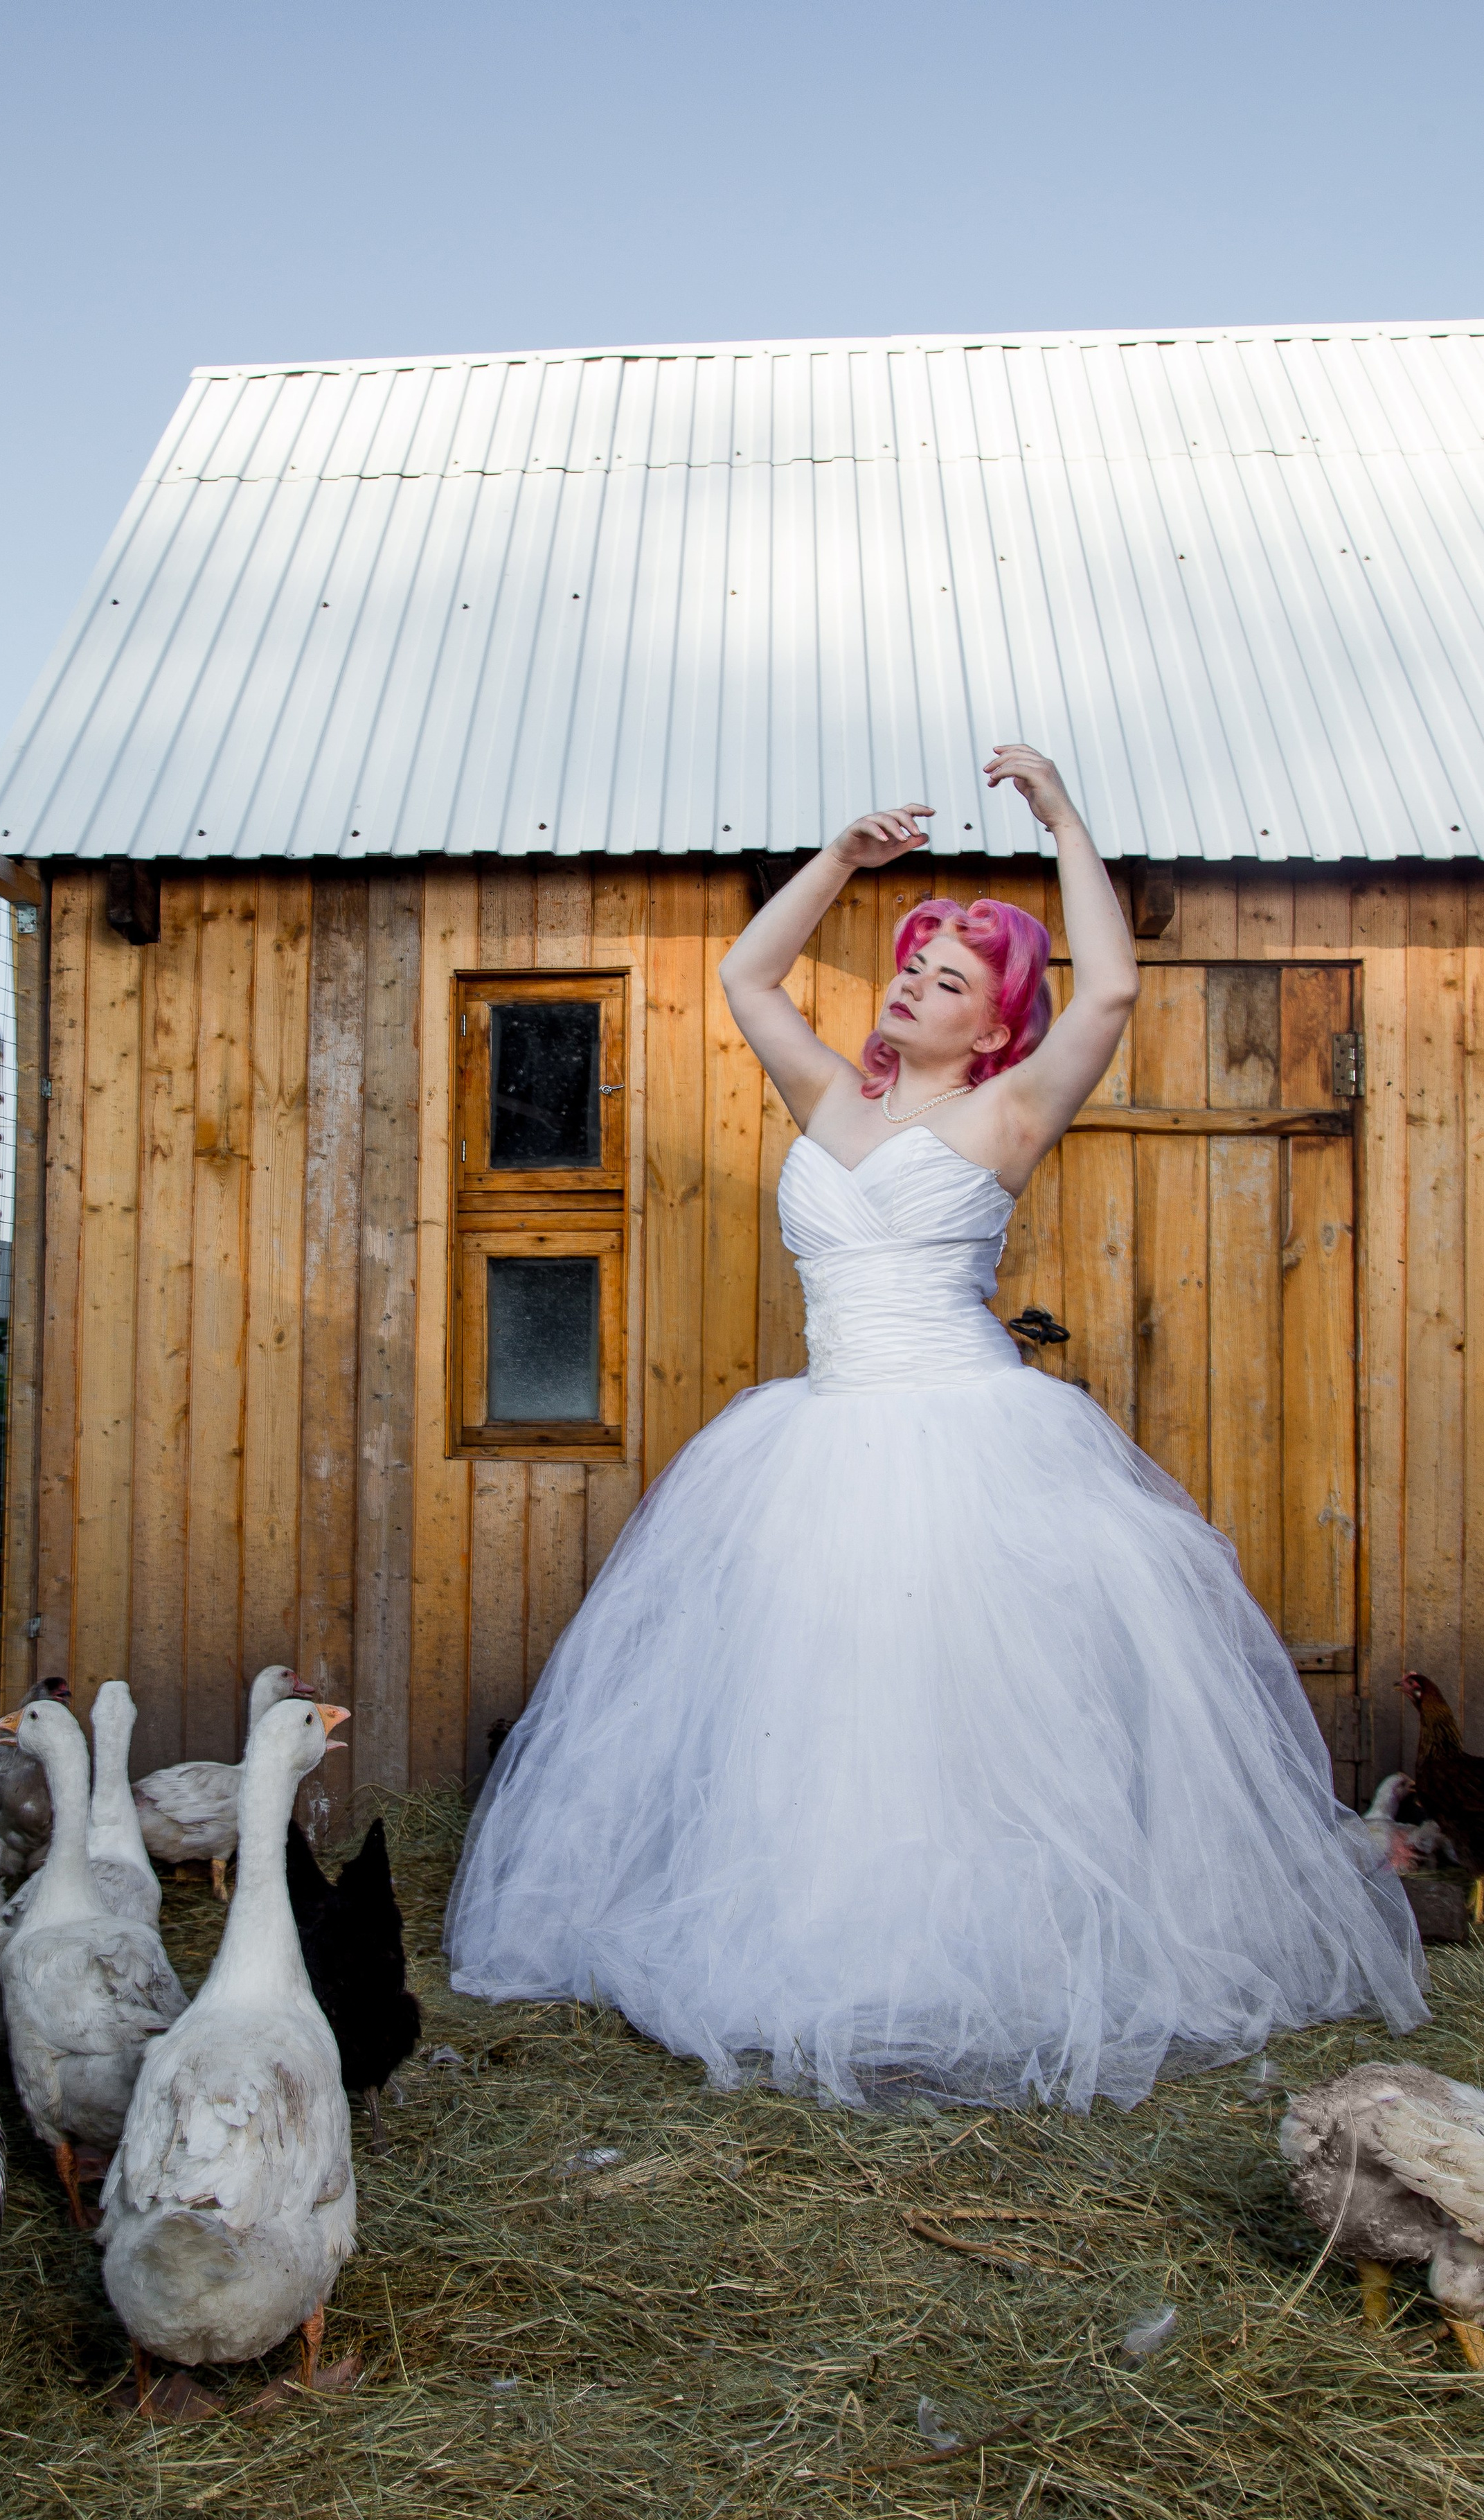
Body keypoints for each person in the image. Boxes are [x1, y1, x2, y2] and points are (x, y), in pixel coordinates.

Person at [445, 746, 1427, 2111]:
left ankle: (973, 1965)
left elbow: (1115, 989)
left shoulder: (1008, 1112)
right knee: (819, 1704)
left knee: (954, 1717)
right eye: (911, 966)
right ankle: (827, 1945)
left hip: (963, 1445)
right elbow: (746, 978)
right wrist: (839, 862)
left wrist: (1065, 819)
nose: (909, 986)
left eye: (948, 980)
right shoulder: (828, 1097)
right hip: (817, 1440)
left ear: (996, 1029)